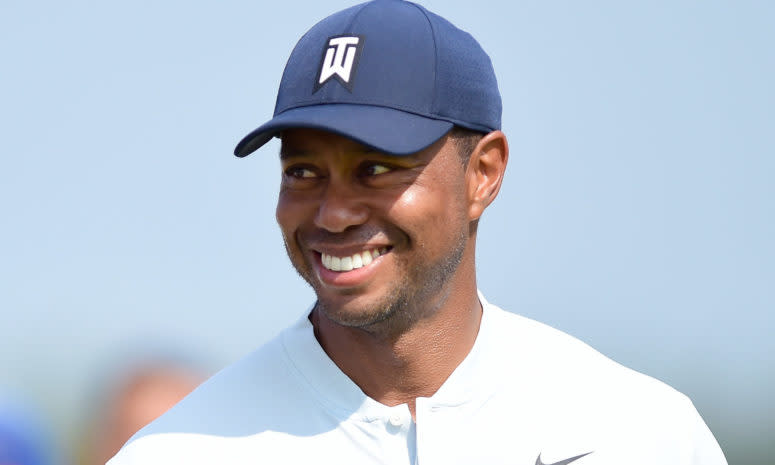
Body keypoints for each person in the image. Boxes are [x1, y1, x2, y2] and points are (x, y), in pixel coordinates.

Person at [108, 0, 728, 463]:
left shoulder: (637, 434)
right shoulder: (182, 451)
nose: (332, 213)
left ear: (483, 173)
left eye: (376, 167)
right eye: (303, 171)